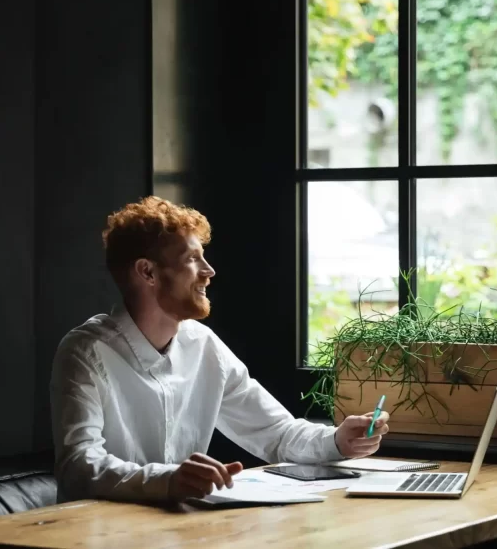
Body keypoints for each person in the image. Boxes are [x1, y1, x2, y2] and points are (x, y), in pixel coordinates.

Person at [50, 196, 390, 503]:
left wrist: (337, 441)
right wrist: (167, 479)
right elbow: (79, 465)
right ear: (147, 271)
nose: (209, 271)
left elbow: (277, 432)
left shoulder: (204, 346)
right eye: (192, 259)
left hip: (177, 533)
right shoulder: (86, 353)